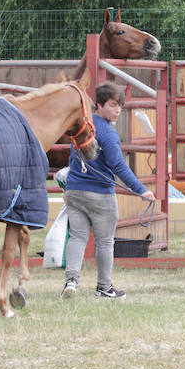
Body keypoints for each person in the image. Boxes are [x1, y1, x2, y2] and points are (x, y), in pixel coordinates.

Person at [60, 81, 154, 299]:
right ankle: (104, 288)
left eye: (120, 105)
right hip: (100, 194)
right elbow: (118, 165)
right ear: (99, 106)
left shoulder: (82, 126)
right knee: (104, 242)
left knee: (77, 238)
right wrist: (141, 189)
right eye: (113, 105)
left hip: (75, 190)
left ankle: (71, 282)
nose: (118, 110)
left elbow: (72, 159)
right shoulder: (109, 134)